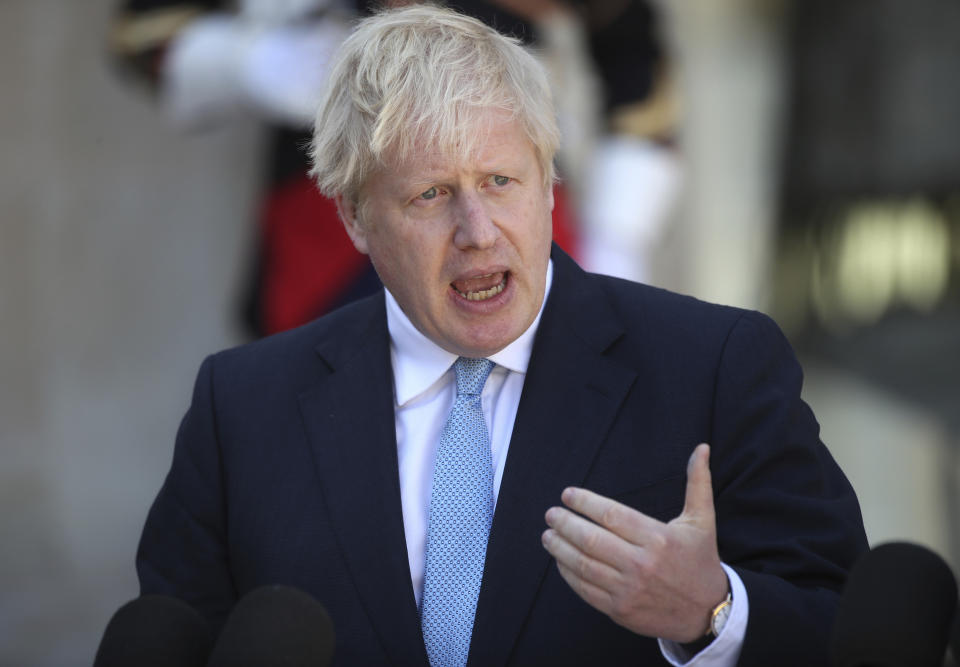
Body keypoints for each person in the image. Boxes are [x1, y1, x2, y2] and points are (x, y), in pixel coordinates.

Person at [137, 5, 868, 666]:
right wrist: (245, 63)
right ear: (356, 217)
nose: (478, 234)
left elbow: (854, 628)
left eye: (500, 182)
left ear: (549, 181)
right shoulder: (240, 409)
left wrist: (714, 614)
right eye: (431, 195)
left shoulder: (714, 366)